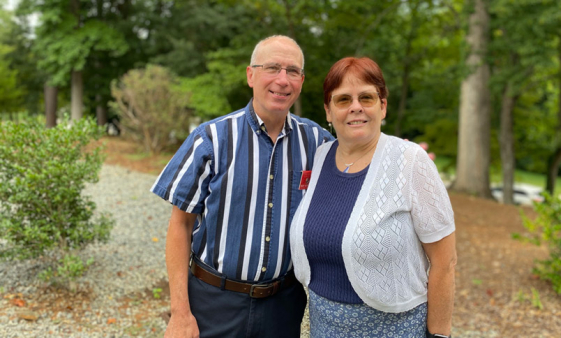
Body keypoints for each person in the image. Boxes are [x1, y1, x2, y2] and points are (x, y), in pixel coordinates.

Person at [151, 35, 333, 338]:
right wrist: (180, 313)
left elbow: (359, 162)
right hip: (213, 303)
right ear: (251, 75)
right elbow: (180, 226)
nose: (282, 80)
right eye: (272, 68)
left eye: (292, 71)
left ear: (302, 81)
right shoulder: (210, 139)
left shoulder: (318, 143)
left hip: (283, 307)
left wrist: (399, 154)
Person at [290, 57, 457, 338]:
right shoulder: (319, 158)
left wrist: (439, 335)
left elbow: (445, 262)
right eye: (343, 100)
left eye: (366, 97)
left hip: (395, 329)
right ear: (328, 112)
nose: (356, 107)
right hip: (325, 328)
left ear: (383, 106)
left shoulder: (410, 161)